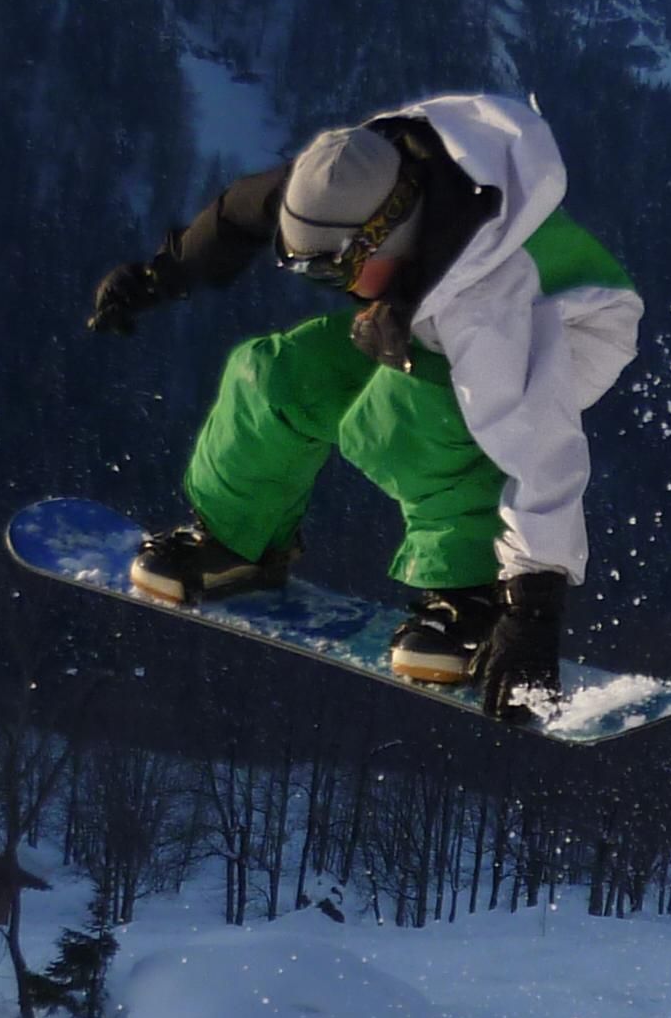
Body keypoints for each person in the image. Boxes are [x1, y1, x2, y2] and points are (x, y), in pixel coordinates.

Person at [86, 91, 640, 717]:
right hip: (427, 306)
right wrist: (158, 277)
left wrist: (531, 610)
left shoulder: (488, 302)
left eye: (331, 272)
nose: (330, 286)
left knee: (409, 418)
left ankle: (470, 596)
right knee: (276, 374)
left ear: (383, 242)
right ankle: (238, 541)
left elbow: (540, 445)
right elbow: (240, 213)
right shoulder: (350, 182)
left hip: (563, 333)